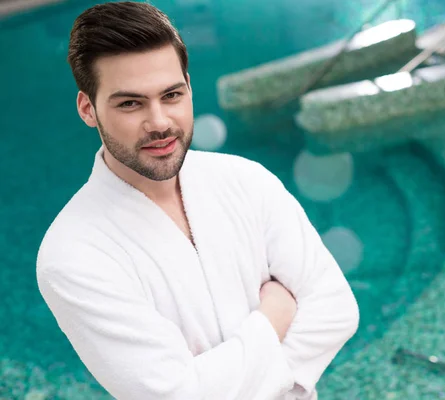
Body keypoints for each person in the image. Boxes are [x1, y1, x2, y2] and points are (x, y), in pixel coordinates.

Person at [35, 2, 360, 399]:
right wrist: (274, 316)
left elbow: (337, 307)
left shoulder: (246, 180)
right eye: (130, 103)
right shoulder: (71, 256)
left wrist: (229, 379)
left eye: (171, 95)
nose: (159, 122)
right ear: (89, 109)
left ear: (189, 86)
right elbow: (177, 395)